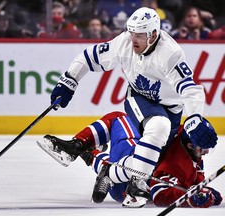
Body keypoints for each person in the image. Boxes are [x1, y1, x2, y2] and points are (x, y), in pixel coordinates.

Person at [49, 7, 215, 207]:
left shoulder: (170, 53)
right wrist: (69, 80)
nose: (132, 39)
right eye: (131, 32)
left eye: (139, 35)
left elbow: (191, 89)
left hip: (172, 110)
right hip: (138, 98)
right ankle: (138, 185)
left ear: (153, 35)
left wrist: (195, 118)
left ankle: (108, 169)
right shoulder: (124, 42)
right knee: (158, 125)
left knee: (152, 155)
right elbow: (89, 56)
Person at [37, 111, 222, 208]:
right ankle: (91, 155)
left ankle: (78, 147)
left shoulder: (179, 154)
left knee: (119, 118)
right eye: (203, 148)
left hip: (132, 184)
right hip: (122, 192)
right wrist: (199, 194)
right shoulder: (187, 157)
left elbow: (159, 193)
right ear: (190, 145)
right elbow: (180, 184)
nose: (205, 152)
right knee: (133, 154)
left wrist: (196, 196)